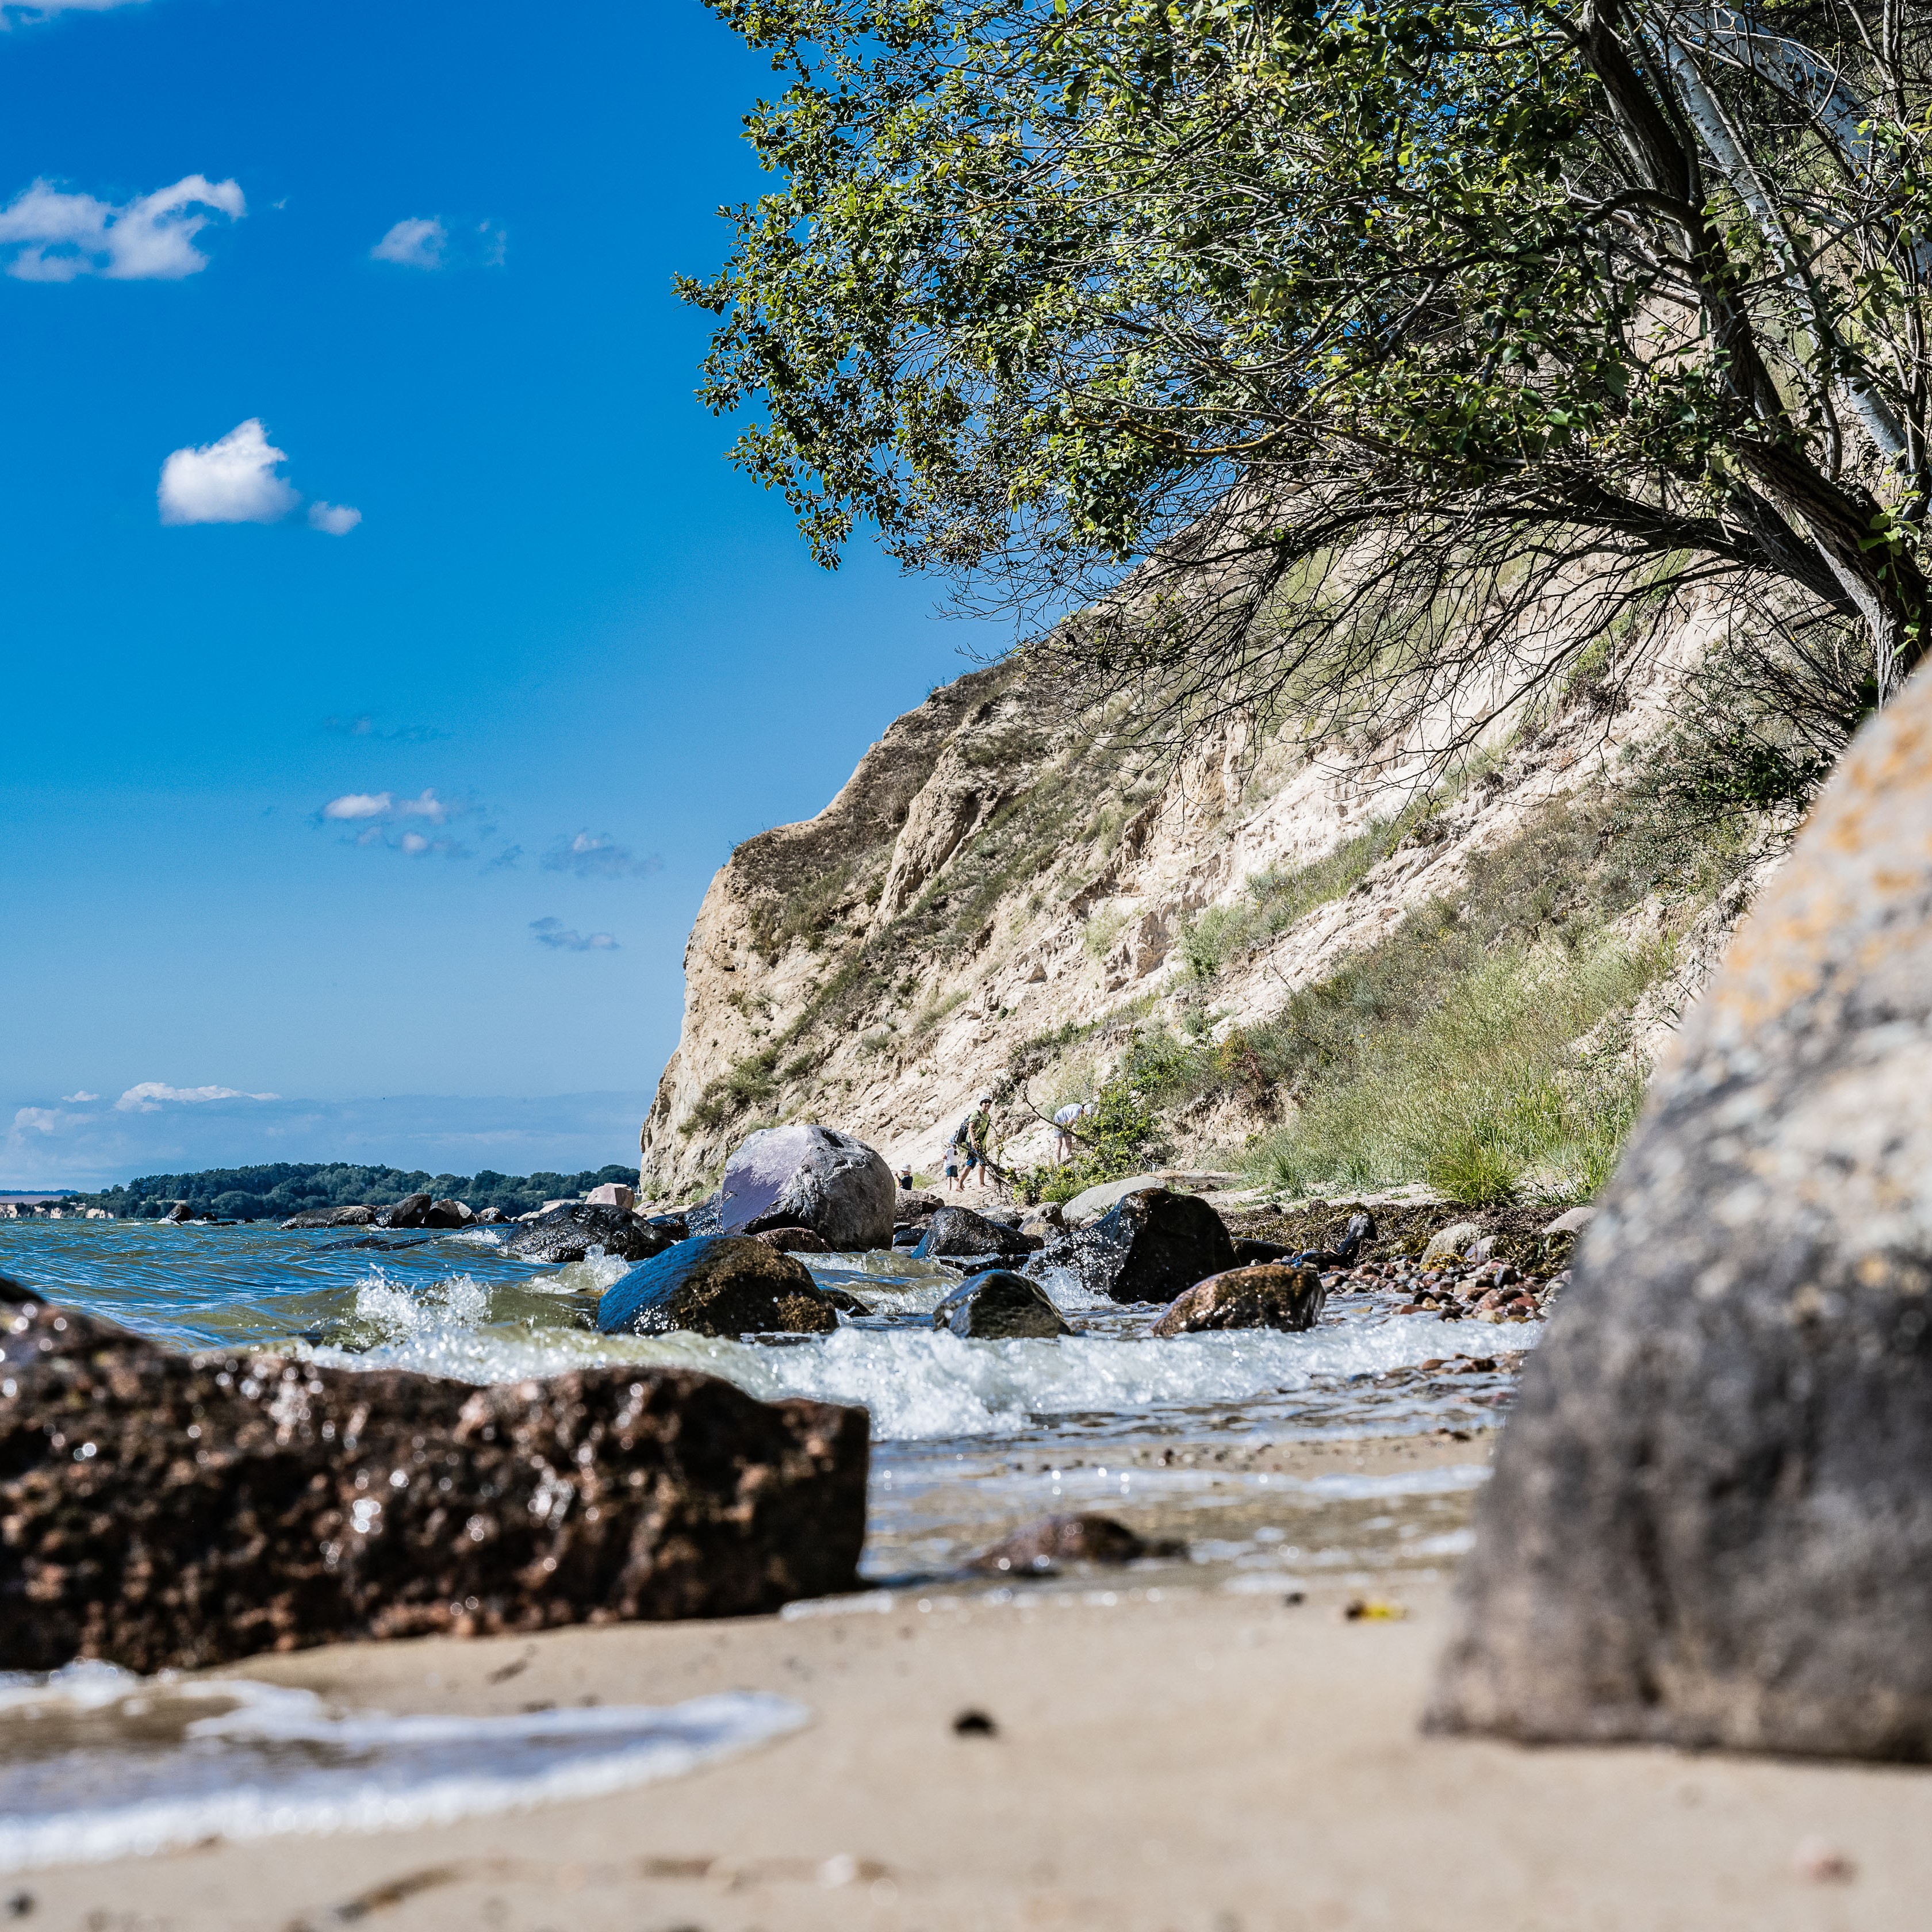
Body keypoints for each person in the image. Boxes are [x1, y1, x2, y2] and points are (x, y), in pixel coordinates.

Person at [963, 1092, 995, 1191]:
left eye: (989, 1102)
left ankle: (959, 1185)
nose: (988, 1104)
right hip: (973, 1142)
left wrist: (983, 1145)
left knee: (971, 1163)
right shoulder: (976, 1114)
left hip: (980, 1143)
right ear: (982, 1104)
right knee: (983, 1162)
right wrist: (973, 1142)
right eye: (985, 1102)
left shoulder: (987, 1116)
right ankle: (981, 1184)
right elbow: (970, 1128)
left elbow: (984, 1134)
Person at [1053, 1100, 1092, 1164]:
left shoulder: (1080, 1109)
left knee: (1069, 1143)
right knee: (1059, 1144)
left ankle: (1066, 1160)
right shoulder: (1078, 1112)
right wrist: (1076, 1136)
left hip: (1065, 1122)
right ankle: (1057, 1163)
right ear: (1084, 1110)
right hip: (1058, 1121)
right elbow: (1069, 1125)